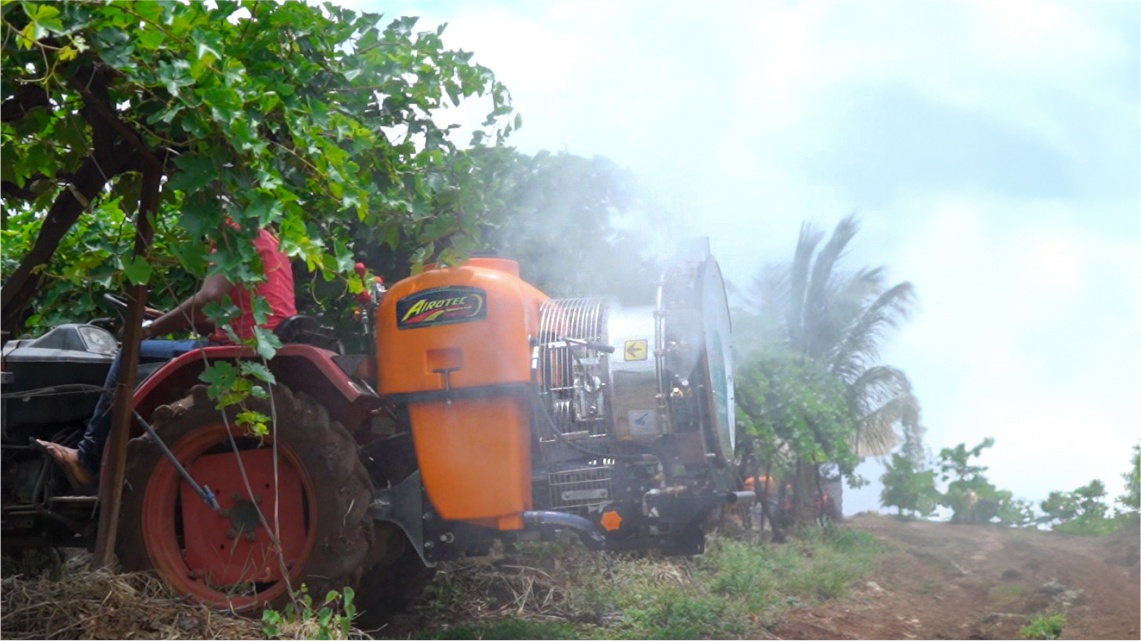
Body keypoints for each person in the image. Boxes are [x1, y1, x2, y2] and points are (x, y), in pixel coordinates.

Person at [34, 227, 296, 488]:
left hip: (236, 348)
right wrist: (164, 319)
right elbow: (219, 319)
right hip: (258, 342)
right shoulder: (270, 239)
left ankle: (88, 459)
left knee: (130, 354)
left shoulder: (233, 230)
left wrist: (148, 329)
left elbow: (209, 296)